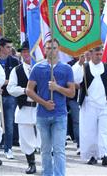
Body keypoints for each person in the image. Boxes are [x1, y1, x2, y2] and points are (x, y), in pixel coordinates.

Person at [26, 38, 75, 176]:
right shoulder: (37, 68)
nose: (51, 50)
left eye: (54, 48)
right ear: (44, 50)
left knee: (59, 149)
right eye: (48, 48)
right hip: (42, 114)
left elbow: (72, 93)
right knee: (45, 149)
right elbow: (29, 90)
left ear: (58, 49)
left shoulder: (66, 69)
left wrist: (57, 87)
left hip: (60, 114)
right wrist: (44, 103)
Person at [73, 46, 107, 166]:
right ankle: (91, 155)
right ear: (91, 54)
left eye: (100, 54)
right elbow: (75, 79)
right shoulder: (84, 67)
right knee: (89, 131)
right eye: (96, 54)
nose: (99, 56)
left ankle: (106, 155)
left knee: (106, 131)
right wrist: (79, 64)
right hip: (89, 105)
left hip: (105, 105)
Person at [7, 41, 40, 174]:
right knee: (25, 139)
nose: (27, 54)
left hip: (40, 108)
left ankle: (48, 163)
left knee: (44, 138)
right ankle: (31, 163)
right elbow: (10, 88)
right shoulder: (17, 70)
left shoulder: (42, 68)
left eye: (29, 51)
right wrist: (24, 90)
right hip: (24, 107)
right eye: (24, 51)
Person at [0, 37, 20, 159]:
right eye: (7, 47)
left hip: (10, 97)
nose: (10, 49)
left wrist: (3, 82)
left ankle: (8, 148)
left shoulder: (15, 62)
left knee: (9, 123)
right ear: (1, 47)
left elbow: (15, 80)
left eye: (11, 47)